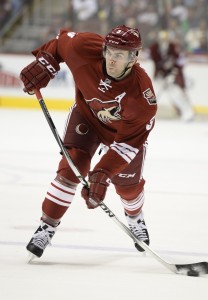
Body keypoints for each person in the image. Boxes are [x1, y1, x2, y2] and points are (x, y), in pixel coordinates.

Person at [20, 25, 157, 259]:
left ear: (133, 58)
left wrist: (102, 172)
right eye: (109, 52)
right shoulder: (83, 47)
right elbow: (60, 43)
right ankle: (47, 226)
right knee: (71, 167)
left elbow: (127, 145)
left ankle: (135, 216)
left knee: (127, 185)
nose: (111, 60)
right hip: (87, 116)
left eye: (119, 55)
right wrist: (46, 61)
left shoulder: (142, 98)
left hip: (121, 135)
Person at [149, 31, 194, 121]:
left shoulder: (172, 47)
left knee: (176, 94)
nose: (163, 41)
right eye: (161, 39)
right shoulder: (154, 47)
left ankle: (188, 113)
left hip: (170, 76)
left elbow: (178, 60)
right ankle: (147, 114)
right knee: (152, 95)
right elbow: (155, 60)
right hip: (160, 76)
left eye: (165, 39)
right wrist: (162, 68)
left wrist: (173, 72)